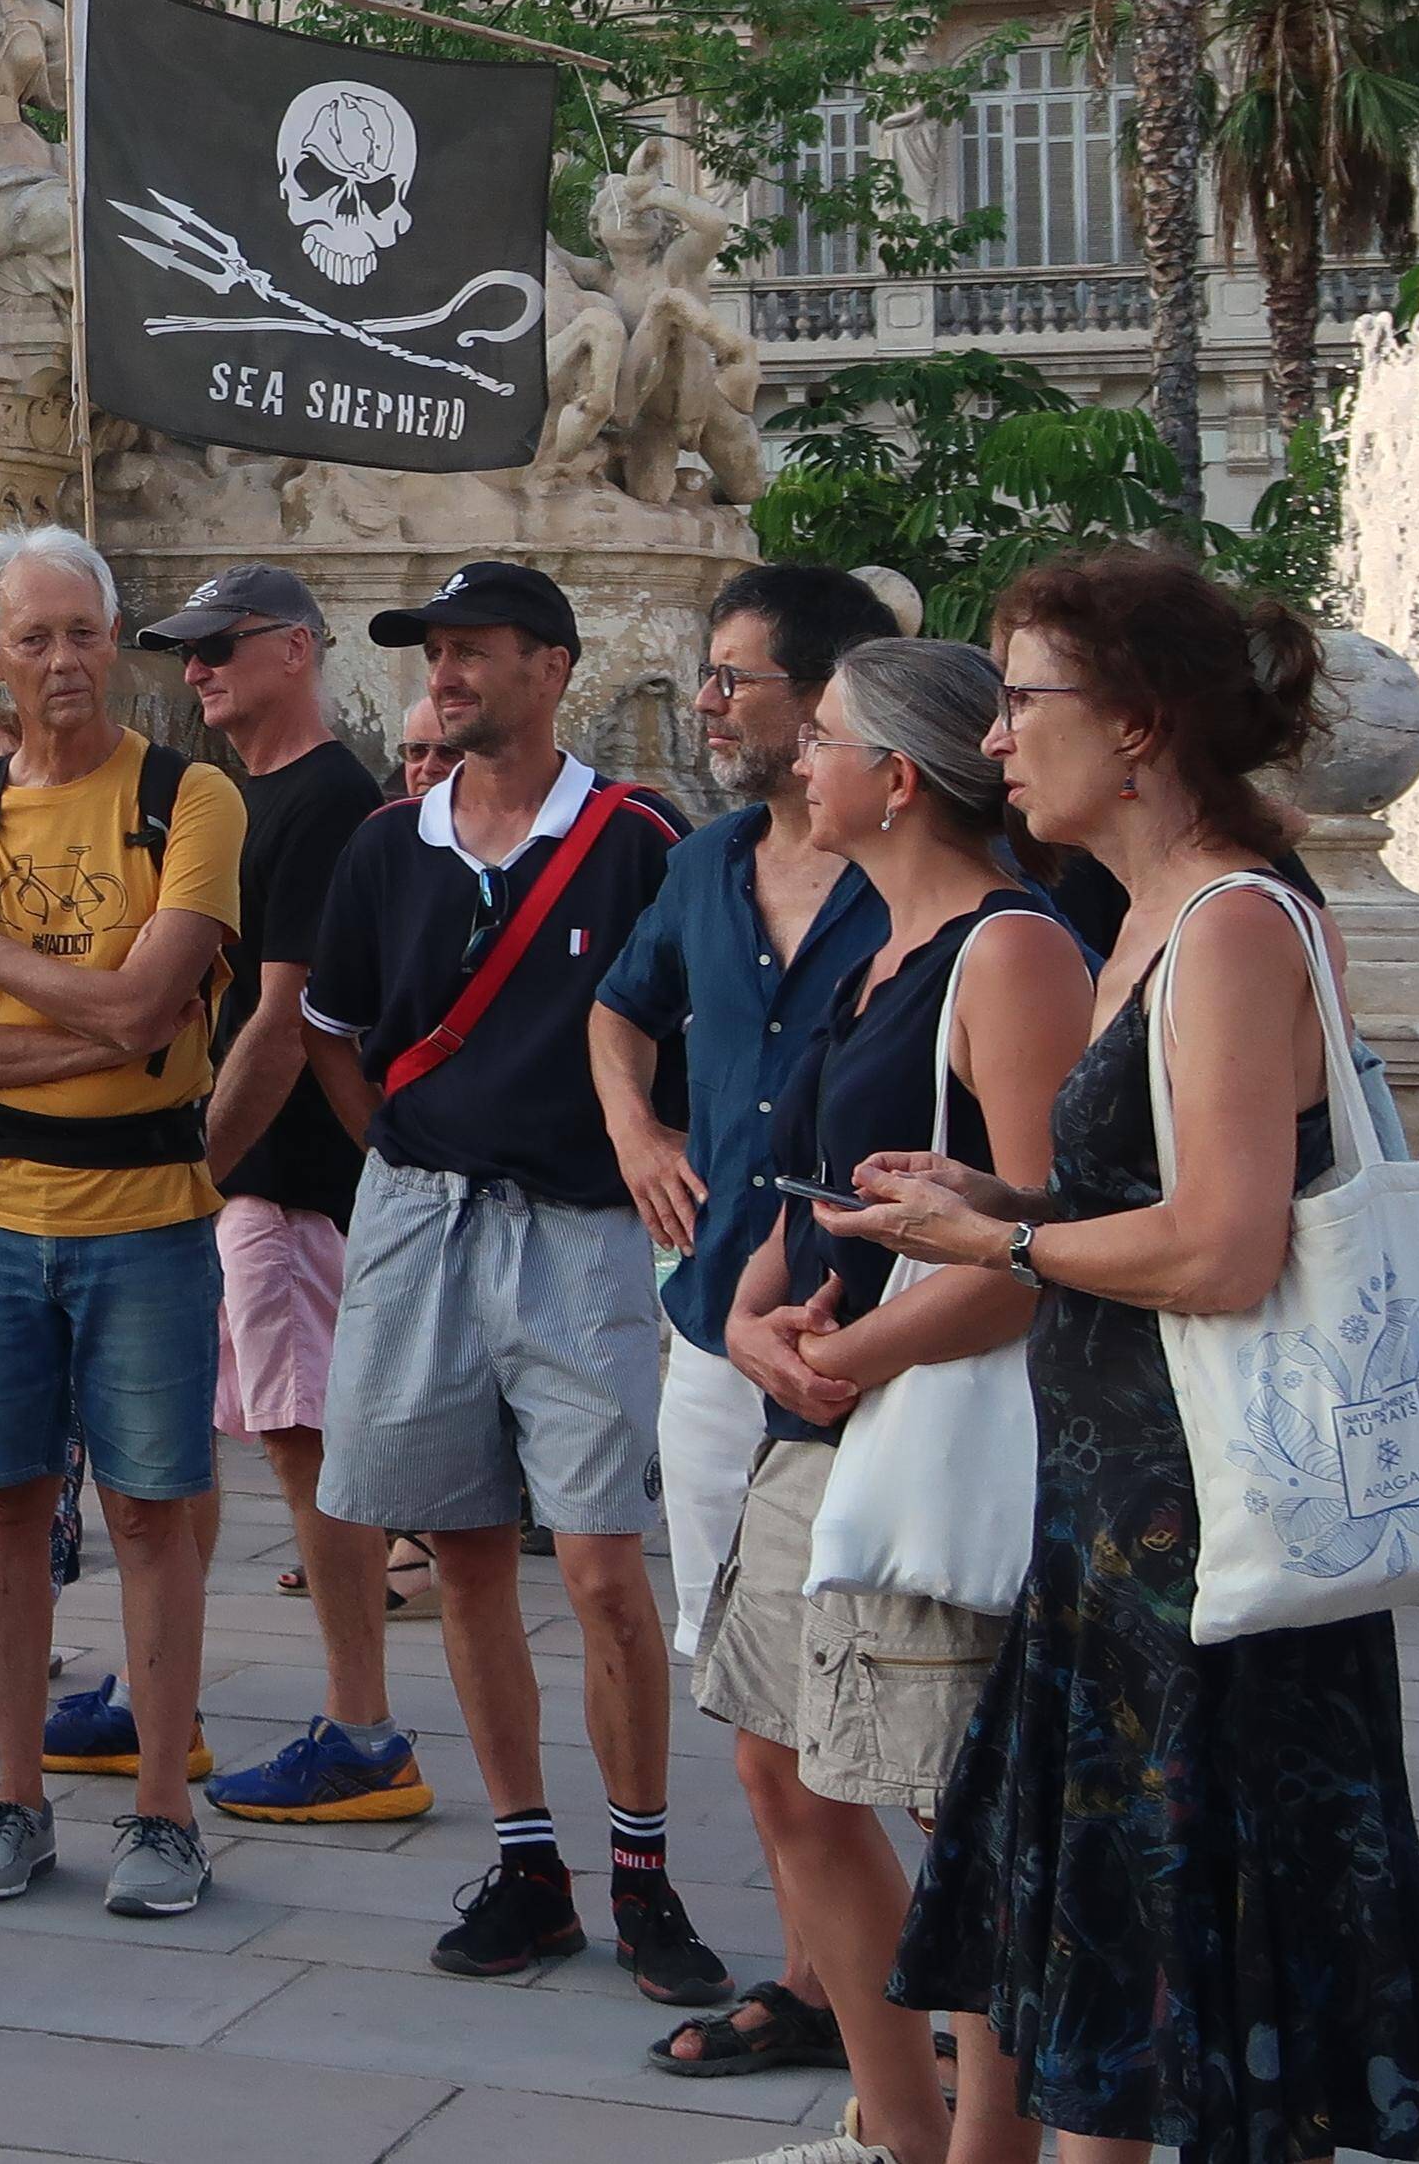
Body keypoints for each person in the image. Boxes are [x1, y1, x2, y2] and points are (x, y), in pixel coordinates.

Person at [841, 550, 1419, 2164]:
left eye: (1022, 700)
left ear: (1136, 723)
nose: (992, 741)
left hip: (1211, 1542)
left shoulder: (1228, 921)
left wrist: (1001, 1245)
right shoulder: (1144, 917)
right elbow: (1149, 1201)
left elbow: (1218, 1246)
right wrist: (1003, 1195)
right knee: (1128, 2011)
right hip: (1128, 1528)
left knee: (1178, 2010)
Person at [298, 560, 723, 2003]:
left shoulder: (639, 839)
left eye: (474, 650)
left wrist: (655, 1151)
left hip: (580, 1231)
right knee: (464, 1546)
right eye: (436, 652)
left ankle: (644, 1869)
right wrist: (403, 1159)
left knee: (603, 1565)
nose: (447, 674)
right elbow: (333, 1028)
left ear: (553, 666)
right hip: (421, 1219)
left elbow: (699, 1035)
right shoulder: (382, 846)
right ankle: (529, 1862)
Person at [695, 641, 1084, 2164]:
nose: (803, 758)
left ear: (900, 778)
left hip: (925, 1422)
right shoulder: (872, 945)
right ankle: (898, 2131)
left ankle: (990, 2146)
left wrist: (839, 1358)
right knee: (783, 1768)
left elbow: (1045, 1243)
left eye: (830, 737)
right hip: (825, 1409)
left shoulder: (1010, 950)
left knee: (951, 1802)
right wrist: (749, 1313)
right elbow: (825, 1191)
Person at [0, 525, 242, 1921]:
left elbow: (159, 1007)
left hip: (150, 1214)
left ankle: (163, 1811)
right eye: (31, 638)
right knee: (6, 1507)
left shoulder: (189, 798)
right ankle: (17, 1795)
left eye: (83, 632)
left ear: (116, 638)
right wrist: (98, 1030)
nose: (62, 662)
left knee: (153, 1513)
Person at [593, 564, 899, 2083]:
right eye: (705, 675)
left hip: (886, 1344)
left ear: (832, 699)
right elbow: (619, 1007)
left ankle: (951, 2006)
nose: (707, 701)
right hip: (721, 1327)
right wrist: (640, 1133)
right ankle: (818, 1978)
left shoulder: (936, 886)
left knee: (914, 1669)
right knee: (746, 1667)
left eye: (736, 677)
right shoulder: (707, 862)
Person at [126, 564, 426, 1831]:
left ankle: (362, 1728)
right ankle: (165, 1695)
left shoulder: (325, 799)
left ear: (295, 650)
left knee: (308, 1450)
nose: (196, 670)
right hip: (251, 1175)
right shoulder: (245, 796)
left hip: (288, 1178)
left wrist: (192, 1172)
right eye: (185, 652)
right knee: (185, 1444)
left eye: (219, 647)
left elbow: (287, 1016)